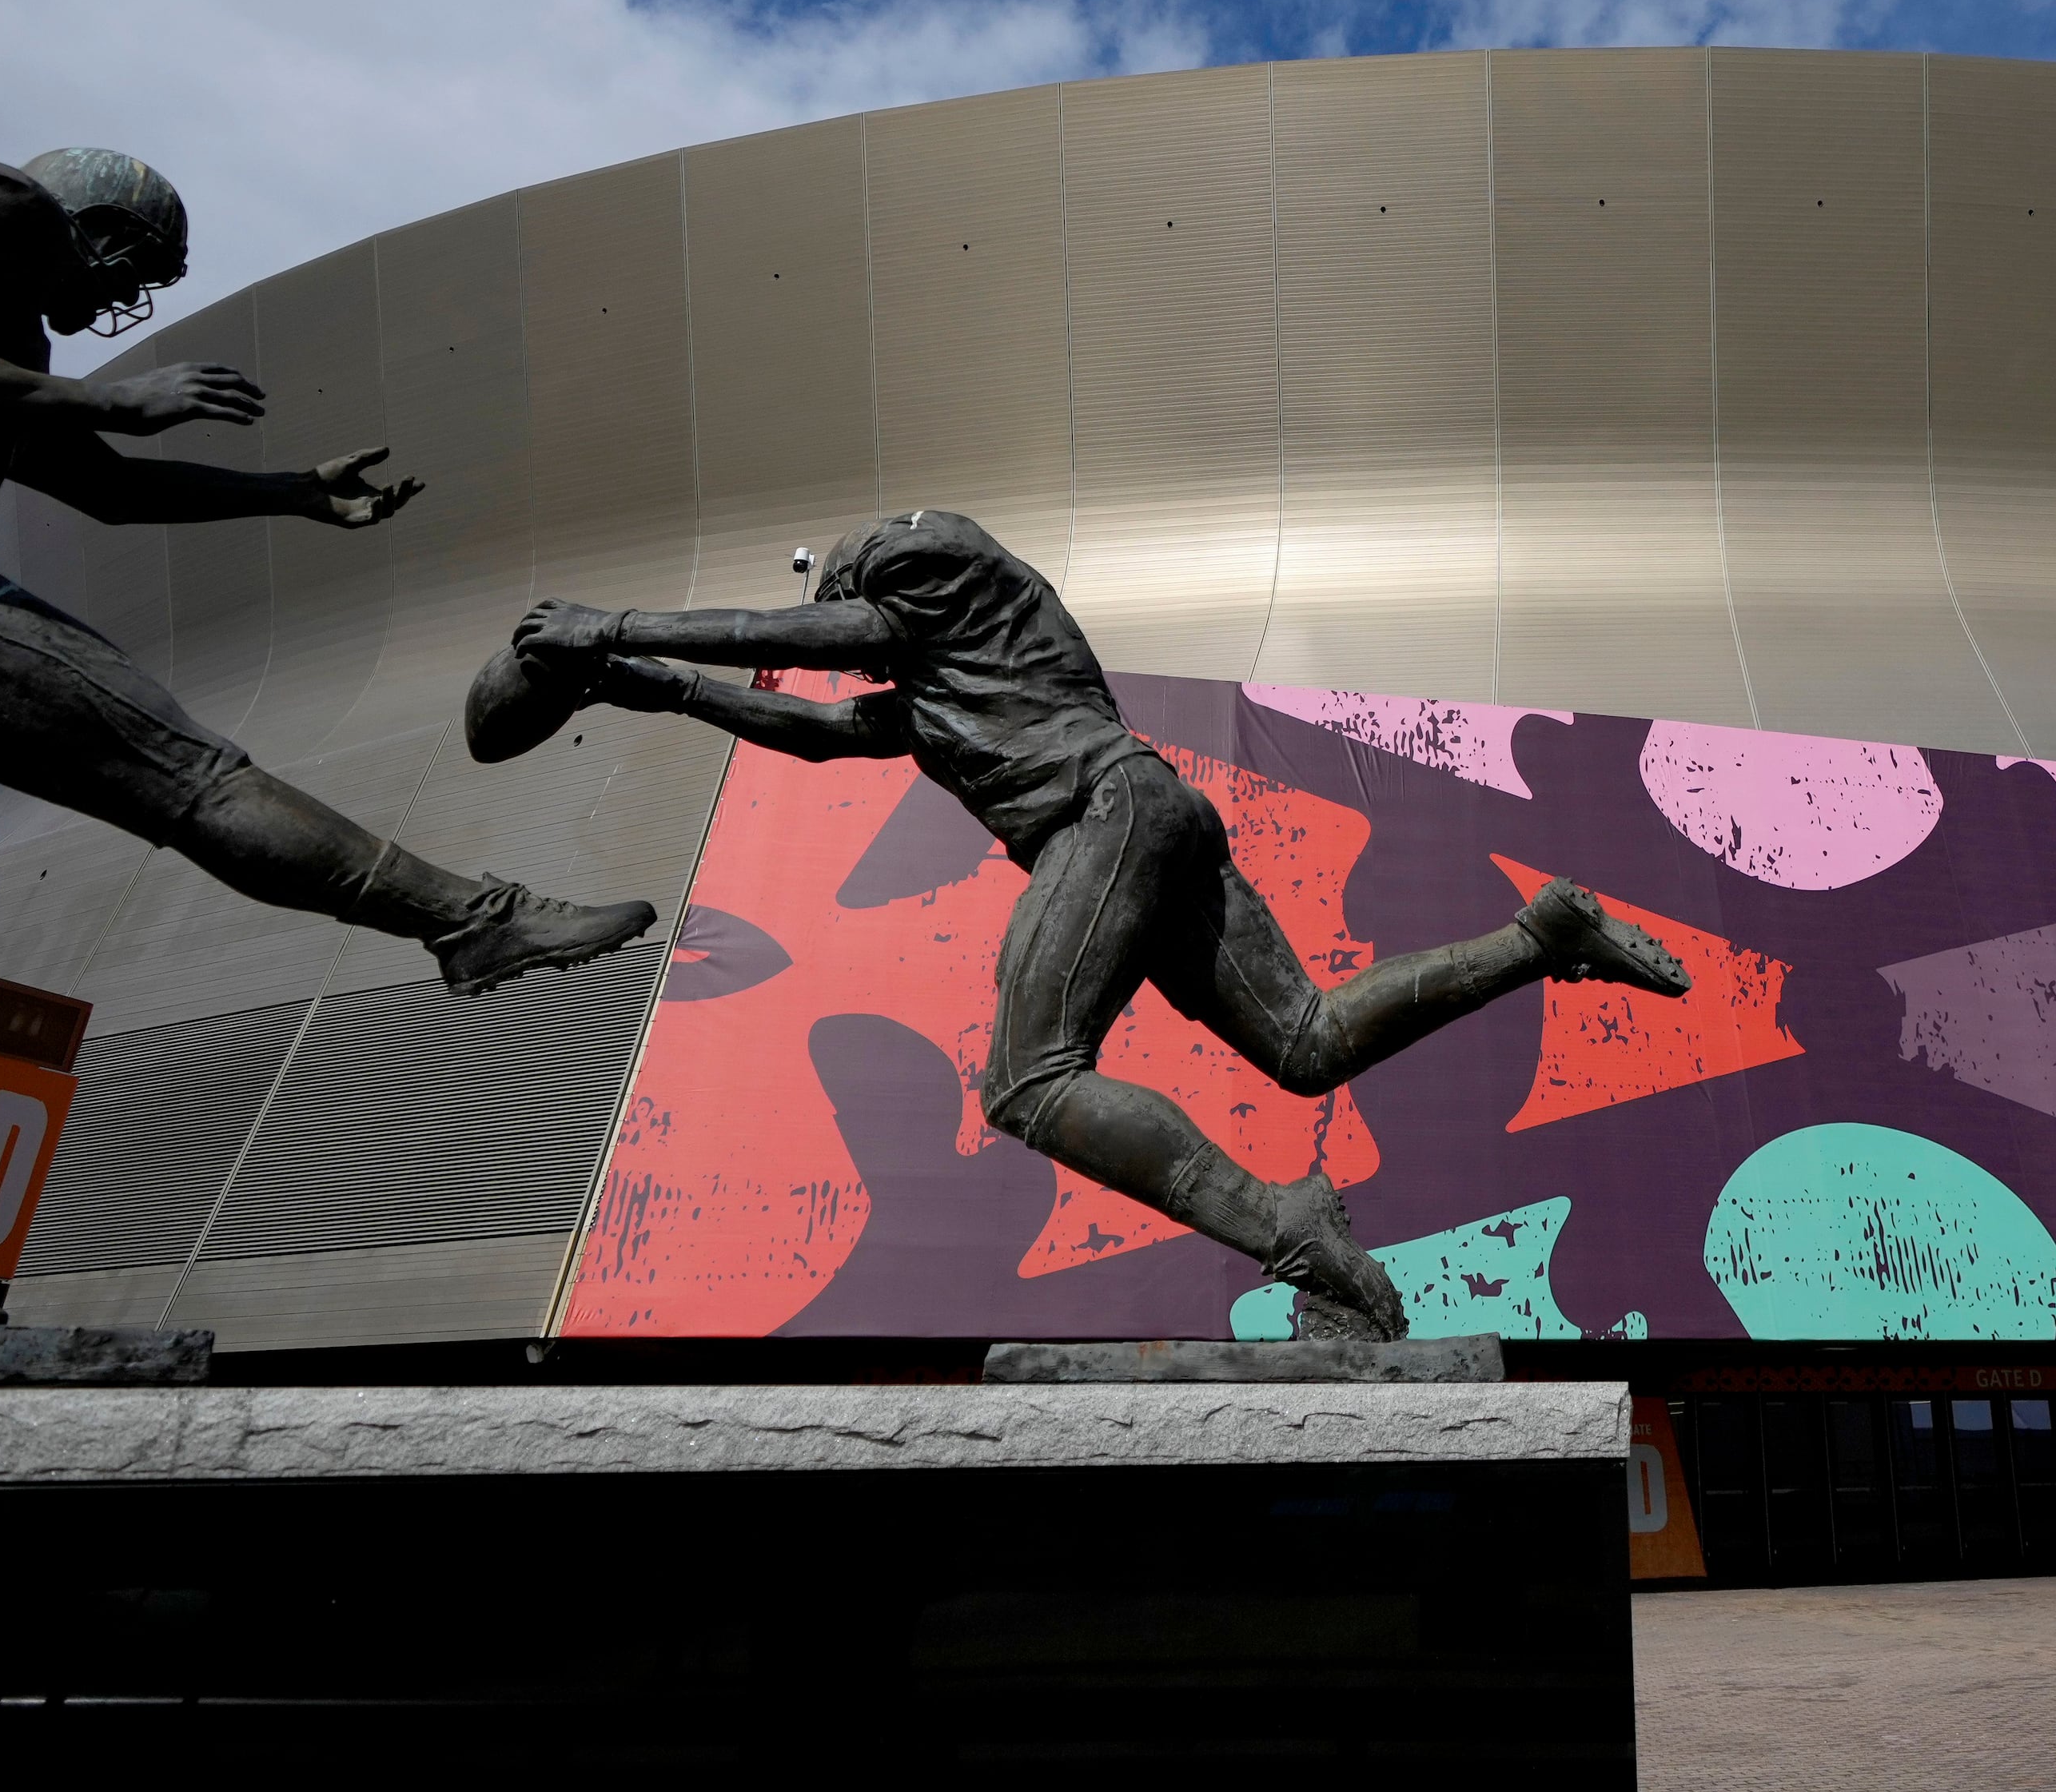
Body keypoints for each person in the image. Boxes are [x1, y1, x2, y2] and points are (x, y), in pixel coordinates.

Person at [0, 149, 659, 1325]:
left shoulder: (4, 349)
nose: (123, 301)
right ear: (81, 222)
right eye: (134, 266)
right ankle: (469, 922)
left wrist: (290, 490)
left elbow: (109, 491)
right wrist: (112, 394)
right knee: (183, 770)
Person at [490, 508, 1698, 1333]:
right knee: (1309, 1043)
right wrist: (655, 689)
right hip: (1155, 810)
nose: (851, 640)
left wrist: (621, 626)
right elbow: (817, 731)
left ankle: (1288, 1223)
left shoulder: (929, 572)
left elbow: (824, 640)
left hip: (1102, 812)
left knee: (1028, 1081)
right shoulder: (952, 680)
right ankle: (1539, 939)